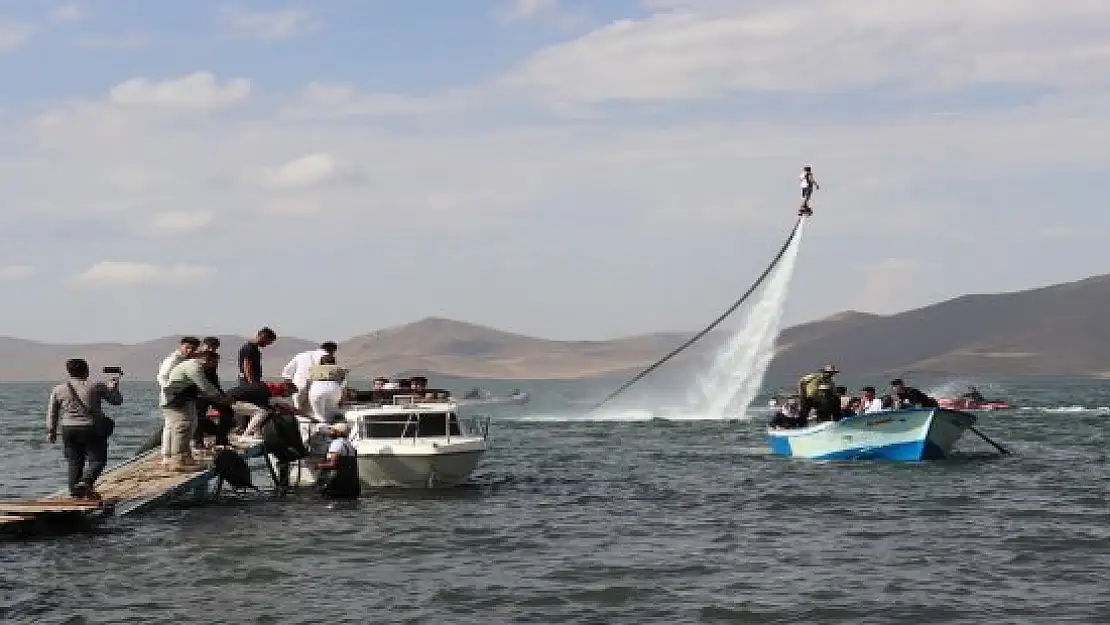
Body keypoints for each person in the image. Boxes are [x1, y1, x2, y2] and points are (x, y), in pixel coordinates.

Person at [47, 358, 123, 499]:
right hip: (91, 428)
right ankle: (85, 482)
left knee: (74, 462)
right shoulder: (96, 386)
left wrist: (51, 431)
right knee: (97, 460)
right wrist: (114, 388)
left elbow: (52, 412)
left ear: (69, 372)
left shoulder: (58, 389)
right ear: (86, 371)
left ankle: (75, 494)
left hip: (68, 429)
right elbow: (116, 401)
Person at [161, 351, 232, 471]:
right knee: (182, 428)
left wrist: (219, 397)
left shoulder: (193, 366)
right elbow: (205, 386)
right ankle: (177, 461)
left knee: (190, 426)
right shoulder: (194, 367)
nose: (214, 366)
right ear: (207, 360)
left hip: (184, 400)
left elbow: (205, 388)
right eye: (214, 363)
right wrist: (223, 399)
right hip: (174, 400)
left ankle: (186, 457)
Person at [281, 341, 338, 414]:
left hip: (298, 386)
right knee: (313, 412)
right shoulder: (328, 357)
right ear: (333, 350)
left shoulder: (302, 355)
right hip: (316, 389)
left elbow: (287, 371)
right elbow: (331, 375)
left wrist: (288, 384)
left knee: (298, 410)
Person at [314, 421, 360, 500]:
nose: (330, 432)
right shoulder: (349, 444)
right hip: (351, 484)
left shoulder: (336, 443)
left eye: (332, 430)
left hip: (336, 484)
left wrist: (319, 465)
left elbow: (333, 464)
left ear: (338, 433)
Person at [305, 354, 348, 424]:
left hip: (317, 388)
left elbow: (308, 384)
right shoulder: (339, 369)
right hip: (334, 389)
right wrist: (342, 400)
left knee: (319, 415)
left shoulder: (314, 369)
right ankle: (334, 430)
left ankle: (321, 431)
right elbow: (344, 385)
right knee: (330, 414)